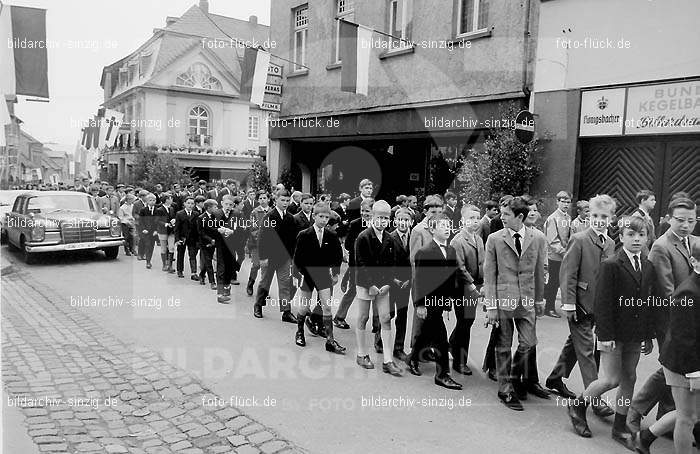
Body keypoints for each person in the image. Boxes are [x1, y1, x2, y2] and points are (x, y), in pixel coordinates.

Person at [567, 216, 661, 450]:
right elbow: (603, 303)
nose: (637, 239)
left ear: (648, 237)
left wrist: (648, 335)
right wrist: (605, 336)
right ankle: (578, 405)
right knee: (611, 379)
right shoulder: (611, 264)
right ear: (621, 237)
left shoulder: (649, 266)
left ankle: (620, 425)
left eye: (641, 235)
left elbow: (649, 302)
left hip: (635, 333)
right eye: (631, 235)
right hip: (613, 333)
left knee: (630, 377)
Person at [627, 197, 698, 434]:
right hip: (671, 318)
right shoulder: (661, 245)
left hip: (693, 316)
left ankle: (668, 420)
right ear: (668, 219)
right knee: (671, 368)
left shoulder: (695, 242)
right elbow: (666, 291)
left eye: (691, 220)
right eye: (680, 220)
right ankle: (637, 410)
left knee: (677, 370)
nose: (686, 225)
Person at [545, 195, 616, 418]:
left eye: (604, 216)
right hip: (579, 304)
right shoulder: (579, 239)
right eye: (595, 215)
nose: (599, 220)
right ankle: (595, 399)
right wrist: (568, 303)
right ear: (589, 216)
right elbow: (568, 273)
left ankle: (555, 377)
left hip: (598, 306)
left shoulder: (611, 243)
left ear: (611, 219)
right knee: (588, 350)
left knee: (574, 344)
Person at [483, 196, 547, 411]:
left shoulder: (537, 237)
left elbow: (539, 270)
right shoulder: (494, 238)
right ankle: (505, 389)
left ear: (520, 216)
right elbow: (489, 275)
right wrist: (491, 306)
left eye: (506, 215)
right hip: (503, 300)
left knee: (528, 343)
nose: (502, 218)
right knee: (503, 345)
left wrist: (540, 299)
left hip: (527, 300)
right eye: (501, 214)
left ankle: (511, 377)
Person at [637, 245, 700, 454]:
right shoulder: (689, 292)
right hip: (683, 364)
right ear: (694, 262)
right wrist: (694, 373)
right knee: (687, 418)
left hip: (691, 361)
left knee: (691, 413)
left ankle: (646, 437)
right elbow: (684, 338)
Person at [406, 213, 462, 389]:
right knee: (441, 338)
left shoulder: (451, 250)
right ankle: (442, 374)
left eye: (449, 225)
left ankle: (412, 358)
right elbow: (420, 280)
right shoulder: (425, 252)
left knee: (425, 334)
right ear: (432, 229)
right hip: (428, 301)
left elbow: (451, 278)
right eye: (442, 226)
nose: (447, 229)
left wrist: (449, 301)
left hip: (441, 300)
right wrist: (420, 304)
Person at [351, 200, 402, 376]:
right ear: (372, 216)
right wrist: (370, 285)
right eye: (379, 217)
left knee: (386, 318)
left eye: (386, 218)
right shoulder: (363, 237)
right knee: (363, 317)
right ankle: (361, 354)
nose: (382, 221)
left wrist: (388, 283)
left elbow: (392, 264)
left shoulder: (389, 238)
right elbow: (361, 264)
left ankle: (388, 360)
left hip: (383, 285)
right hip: (366, 283)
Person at [292, 202, 345, 354]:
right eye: (321, 216)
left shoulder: (332, 235)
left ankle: (330, 340)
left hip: (323, 275)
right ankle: (300, 331)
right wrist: (296, 275)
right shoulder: (304, 234)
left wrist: (335, 273)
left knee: (327, 306)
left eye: (327, 217)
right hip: (307, 275)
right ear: (314, 216)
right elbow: (297, 257)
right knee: (304, 306)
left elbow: (337, 255)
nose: (323, 220)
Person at [448, 204, 483, 376]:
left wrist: (482, 283)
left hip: (475, 286)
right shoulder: (458, 240)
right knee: (464, 322)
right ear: (462, 221)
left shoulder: (479, 238)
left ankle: (452, 343)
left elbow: (482, 263)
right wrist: (471, 284)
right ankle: (459, 361)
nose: (475, 222)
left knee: (467, 321)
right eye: (471, 218)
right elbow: (459, 267)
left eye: (477, 218)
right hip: (462, 288)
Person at [254, 189, 298, 323]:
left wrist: (291, 258)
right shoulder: (269, 216)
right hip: (269, 257)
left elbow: (292, 240)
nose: (285, 203)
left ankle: (286, 312)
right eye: (282, 200)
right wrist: (263, 258)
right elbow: (262, 238)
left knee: (285, 285)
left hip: (284, 258)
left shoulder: (290, 218)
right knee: (265, 283)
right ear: (276, 200)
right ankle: (258, 305)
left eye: (287, 200)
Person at [333, 198, 374, 329]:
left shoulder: (378, 224)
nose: (364, 213)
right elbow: (349, 244)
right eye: (362, 211)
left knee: (376, 291)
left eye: (367, 211)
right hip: (356, 264)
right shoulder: (355, 224)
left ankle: (377, 323)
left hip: (373, 265)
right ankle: (339, 316)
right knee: (352, 290)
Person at [385, 208, 412, 362]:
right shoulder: (389, 237)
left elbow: (414, 261)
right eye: (400, 220)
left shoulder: (413, 237)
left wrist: (409, 279)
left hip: (406, 282)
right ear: (395, 221)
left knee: (402, 315)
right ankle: (381, 341)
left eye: (406, 220)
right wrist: (393, 279)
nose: (403, 223)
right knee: (388, 313)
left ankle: (399, 347)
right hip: (391, 281)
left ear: (410, 222)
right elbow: (385, 261)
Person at [544, 190, 572, 318]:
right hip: (555, 256)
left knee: (561, 281)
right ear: (557, 202)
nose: (566, 204)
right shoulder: (553, 218)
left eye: (568, 202)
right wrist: (564, 252)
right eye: (563, 201)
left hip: (565, 255)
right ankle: (549, 307)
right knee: (554, 282)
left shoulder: (568, 217)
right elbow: (552, 240)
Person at [213, 196, 244, 303]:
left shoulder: (237, 214)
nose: (228, 207)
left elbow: (242, 230)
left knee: (229, 267)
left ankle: (227, 286)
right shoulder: (216, 214)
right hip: (220, 244)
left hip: (232, 245)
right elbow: (209, 228)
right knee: (221, 267)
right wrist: (218, 230)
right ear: (222, 203)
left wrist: (233, 232)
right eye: (226, 204)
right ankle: (220, 293)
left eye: (231, 205)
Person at [246, 191, 270, 296]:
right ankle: (250, 283)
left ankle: (264, 288)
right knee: (256, 265)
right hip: (256, 244)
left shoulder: (272, 211)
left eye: (264, 198)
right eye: (260, 198)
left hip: (270, 245)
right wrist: (260, 239)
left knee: (266, 266)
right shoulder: (254, 212)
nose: (262, 200)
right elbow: (253, 228)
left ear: (268, 199)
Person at [174, 197, 200, 280]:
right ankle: (180, 270)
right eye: (188, 203)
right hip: (182, 237)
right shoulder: (179, 214)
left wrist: (198, 240)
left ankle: (194, 272)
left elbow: (197, 228)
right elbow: (177, 228)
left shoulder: (196, 214)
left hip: (192, 238)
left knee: (192, 255)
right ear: (184, 204)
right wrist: (177, 239)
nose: (190, 205)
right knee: (180, 254)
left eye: (192, 203)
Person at [198, 199, 218, 290]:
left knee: (207, 261)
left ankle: (202, 275)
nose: (217, 209)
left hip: (214, 242)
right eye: (215, 207)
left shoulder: (216, 217)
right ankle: (212, 282)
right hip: (204, 243)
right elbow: (201, 233)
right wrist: (210, 240)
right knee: (209, 262)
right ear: (209, 208)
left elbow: (216, 228)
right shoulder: (201, 218)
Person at [156, 193, 177, 273]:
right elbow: (157, 221)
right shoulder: (159, 209)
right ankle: (164, 264)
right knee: (164, 248)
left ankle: (170, 265)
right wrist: (165, 224)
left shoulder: (171, 208)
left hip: (171, 231)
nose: (171, 200)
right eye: (170, 198)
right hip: (163, 231)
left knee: (171, 247)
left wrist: (174, 220)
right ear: (166, 200)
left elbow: (173, 217)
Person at [138, 194, 160, 269]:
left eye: (154, 200)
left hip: (153, 232)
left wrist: (156, 230)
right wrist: (143, 229)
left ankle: (149, 259)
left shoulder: (157, 210)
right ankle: (148, 262)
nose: (152, 202)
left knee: (151, 246)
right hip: (146, 231)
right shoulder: (143, 210)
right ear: (147, 201)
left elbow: (158, 221)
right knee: (147, 245)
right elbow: (141, 221)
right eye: (150, 200)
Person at [133, 190, 148, 260]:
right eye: (145, 196)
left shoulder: (149, 203)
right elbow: (134, 213)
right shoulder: (136, 203)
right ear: (142, 197)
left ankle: (144, 253)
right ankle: (140, 254)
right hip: (139, 223)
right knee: (140, 239)